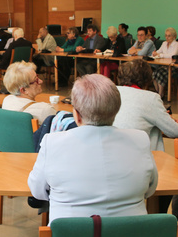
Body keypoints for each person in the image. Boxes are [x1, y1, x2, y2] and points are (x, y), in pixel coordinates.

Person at [28, 74, 158, 224]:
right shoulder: (140, 139)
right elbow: (150, 189)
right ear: (115, 112)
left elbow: (37, 191)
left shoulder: (52, 142)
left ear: (76, 115)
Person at [112, 59, 178, 151]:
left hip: (113, 150)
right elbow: (176, 131)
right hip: (138, 156)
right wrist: (165, 118)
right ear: (147, 78)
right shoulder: (151, 98)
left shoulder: (111, 92)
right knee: (155, 127)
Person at [151, 27, 178, 98]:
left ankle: (161, 94)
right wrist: (155, 53)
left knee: (160, 73)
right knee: (154, 73)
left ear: (174, 37)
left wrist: (160, 55)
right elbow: (158, 51)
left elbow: (172, 56)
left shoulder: (177, 45)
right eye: (166, 36)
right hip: (165, 66)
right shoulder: (164, 43)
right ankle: (157, 91)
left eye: (169, 36)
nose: (167, 37)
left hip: (175, 67)